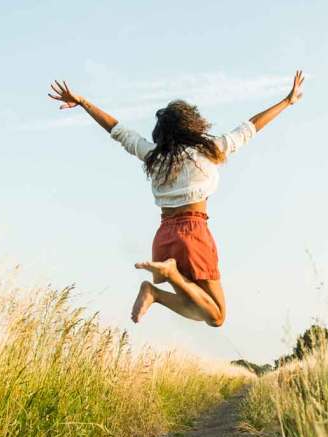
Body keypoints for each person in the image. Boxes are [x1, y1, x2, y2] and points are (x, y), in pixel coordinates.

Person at [47, 71, 305, 327]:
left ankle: (155, 292)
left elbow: (117, 130)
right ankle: (166, 278)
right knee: (216, 317)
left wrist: (83, 103)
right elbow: (251, 127)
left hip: (164, 237)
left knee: (197, 308)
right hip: (193, 234)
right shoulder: (209, 150)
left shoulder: (154, 157)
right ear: (192, 125)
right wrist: (287, 101)